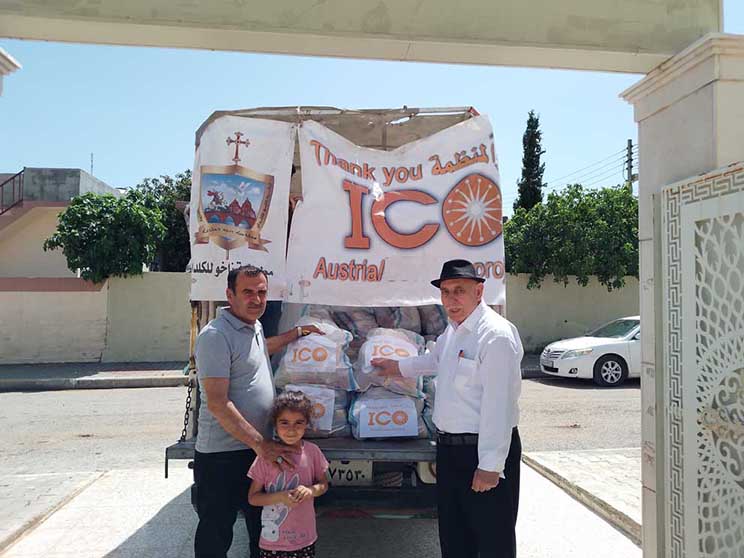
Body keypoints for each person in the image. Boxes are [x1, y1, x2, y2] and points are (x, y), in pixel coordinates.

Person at [372, 259, 523, 558]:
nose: (451, 299)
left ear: (478, 292)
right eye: (445, 292)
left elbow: (500, 404)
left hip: (481, 452)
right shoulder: (454, 330)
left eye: (459, 291)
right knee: (455, 537)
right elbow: (433, 360)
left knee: (492, 540)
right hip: (451, 451)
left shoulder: (495, 335)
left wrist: (490, 466)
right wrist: (396, 367)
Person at [193, 264, 322, 558]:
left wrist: (297, 333)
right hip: (223, 455)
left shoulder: (254, 326)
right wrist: (260, 445)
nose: (256, 299)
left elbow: (261, 349)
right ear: (230, 295)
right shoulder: (215, 336)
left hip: (255, 451)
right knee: (216, 530)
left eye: (261, 292)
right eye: (247, 292)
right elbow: (217, 402)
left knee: (261, 529)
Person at [248, 390, 330, 558]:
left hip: (304, 539)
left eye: (298, 422)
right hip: (272, 542)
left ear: (307, 424)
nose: (291, 430)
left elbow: (323, 484)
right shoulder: (266, 457)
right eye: (284, 423)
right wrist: (280, 497)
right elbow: (253, 498)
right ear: (275, 424)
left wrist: (310, 491)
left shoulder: (312, 452)